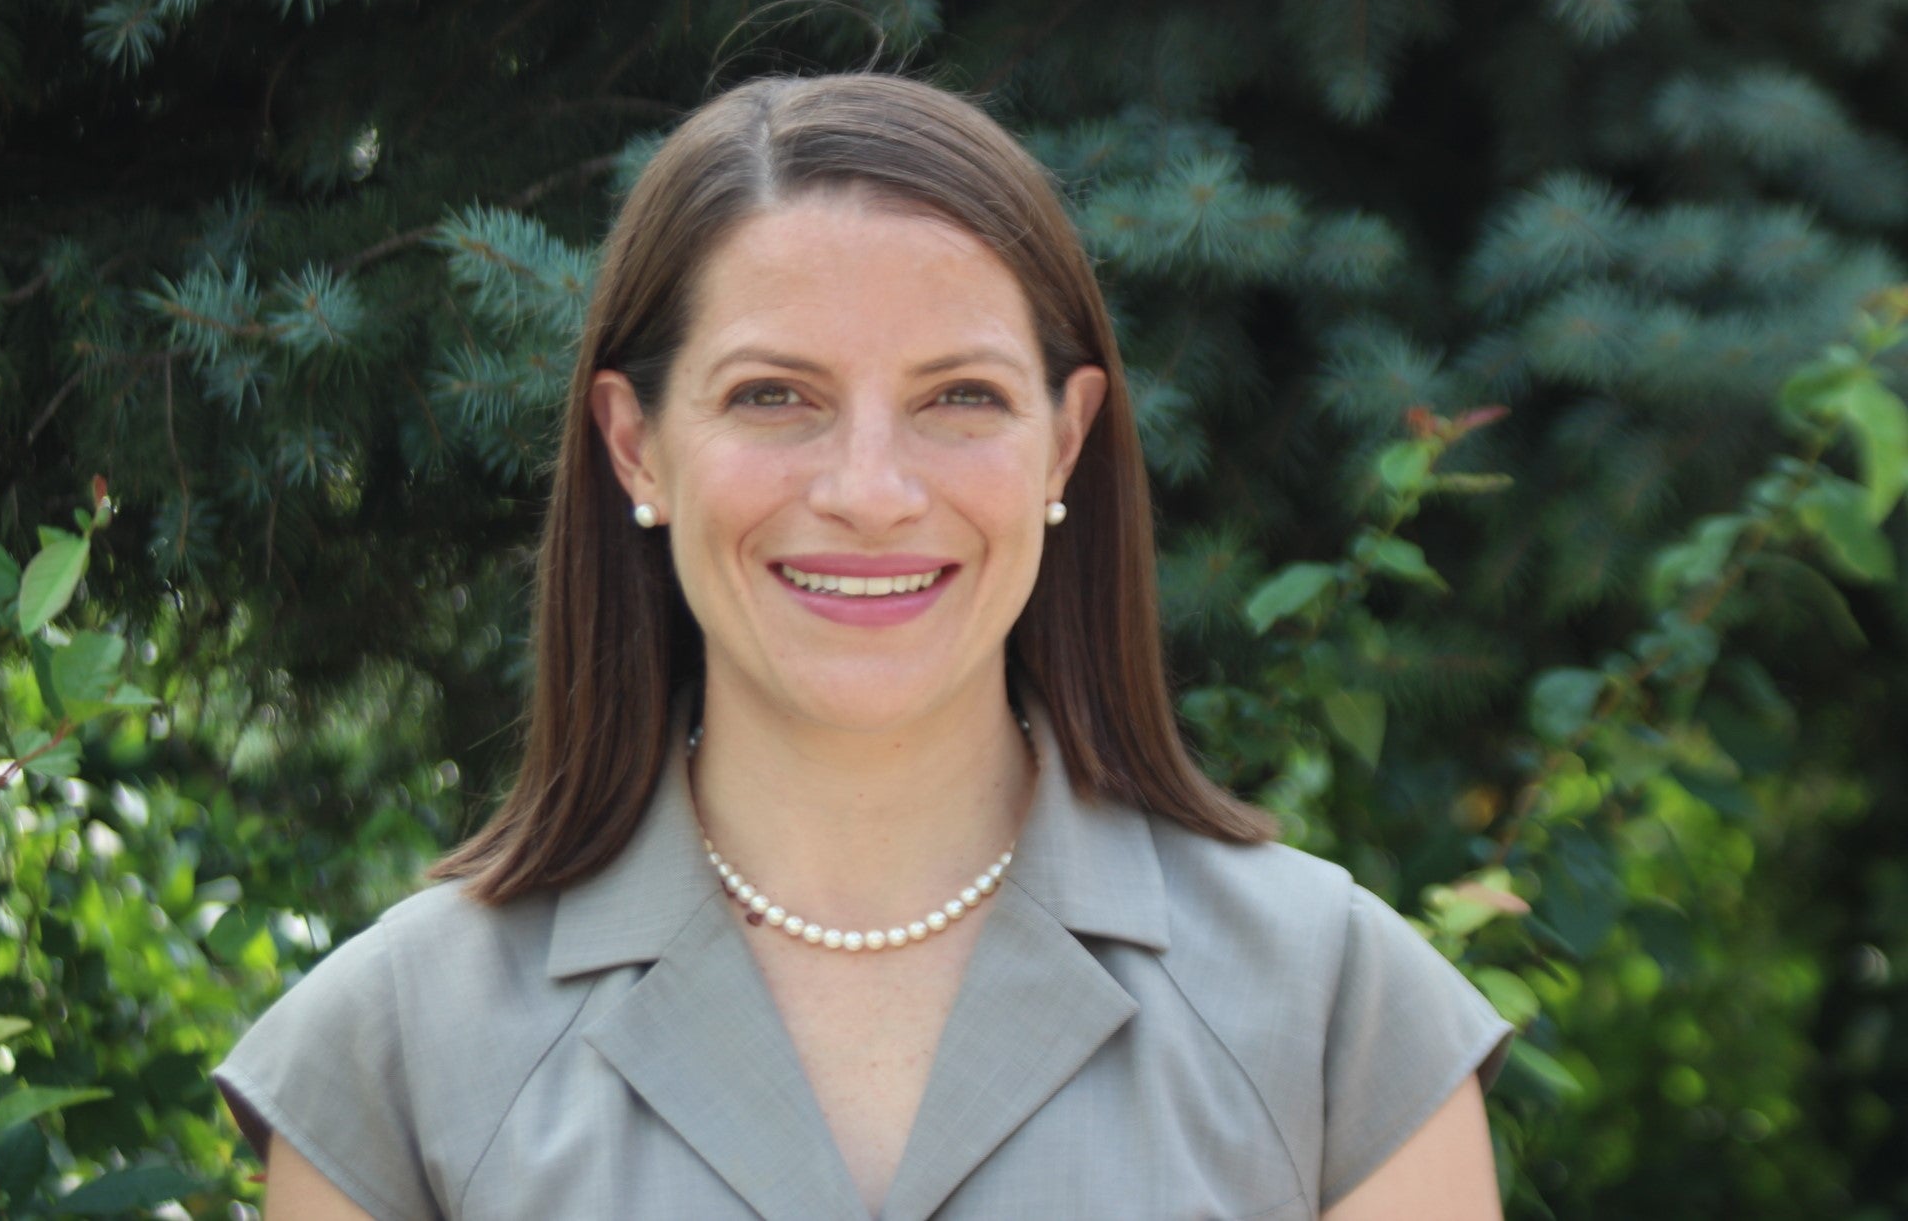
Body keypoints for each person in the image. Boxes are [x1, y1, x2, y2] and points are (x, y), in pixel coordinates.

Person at [214, 73, 1513, 1220]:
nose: (873, 488)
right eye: (775, 395)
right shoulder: (397, 1051)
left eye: (962, 397)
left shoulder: (1334, 1013)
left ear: (1063, 445)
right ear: (635, 445)